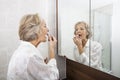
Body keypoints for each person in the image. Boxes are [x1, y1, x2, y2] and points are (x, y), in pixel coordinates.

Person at [7, 14, 59, 80]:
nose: (48, 30)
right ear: (36, 31)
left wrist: (41, 65)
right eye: (45, 26)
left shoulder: (23, 50)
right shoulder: (31, 55)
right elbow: (53, 77)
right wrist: (52, 49)